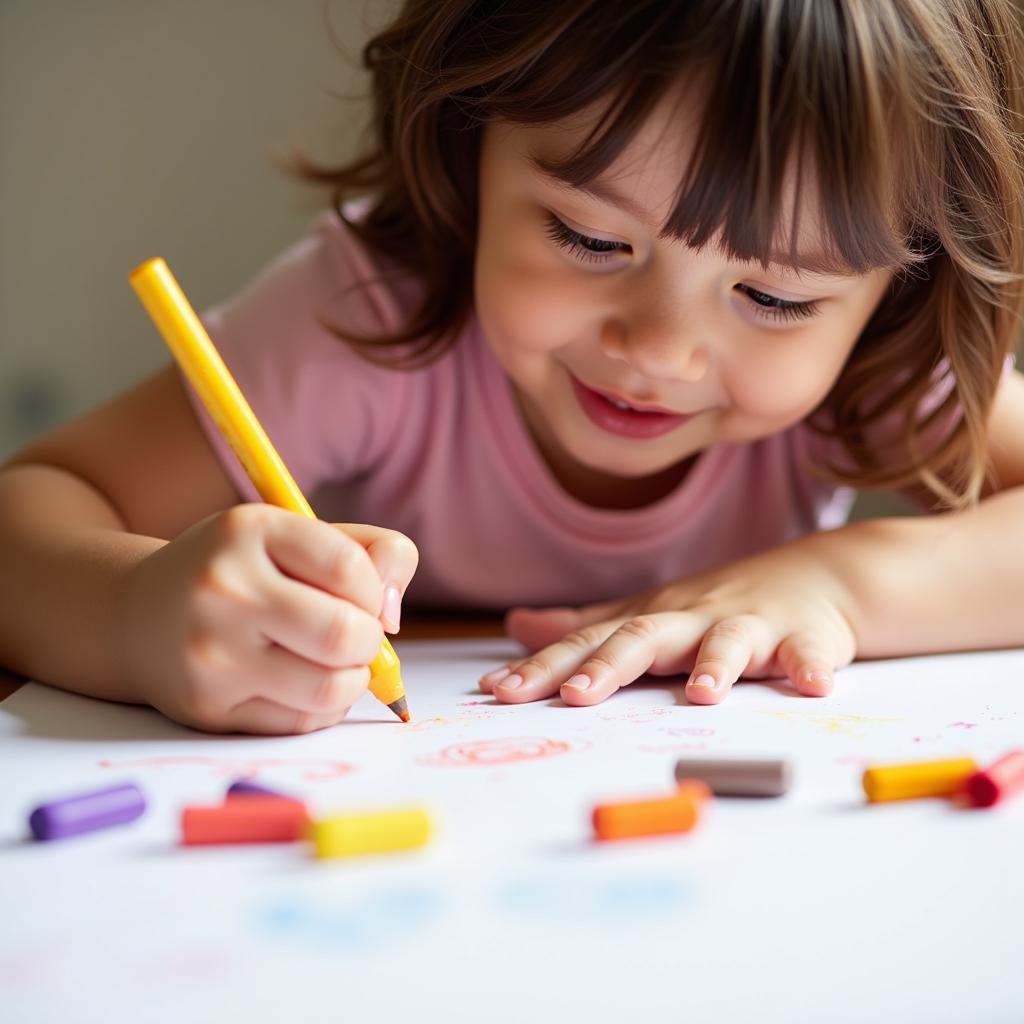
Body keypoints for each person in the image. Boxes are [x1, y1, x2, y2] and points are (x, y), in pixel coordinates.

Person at [2, 0, 1023, 734]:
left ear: (893, 293)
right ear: (468, 143)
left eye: (775, 298)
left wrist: (836, 588)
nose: (658, 350)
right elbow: (29, 516)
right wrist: (136, 618)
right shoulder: (367, 321)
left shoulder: (874, 373)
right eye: (587, 237)